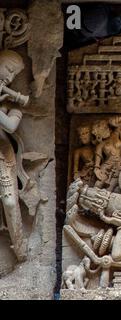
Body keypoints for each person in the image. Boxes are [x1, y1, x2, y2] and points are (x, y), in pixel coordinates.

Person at [0, 50, 27, 261]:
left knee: (9, 202)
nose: (9, 78)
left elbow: (10, 126)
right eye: (8, 69)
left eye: (14, 76)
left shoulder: (12, 104)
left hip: (2, 154)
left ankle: (20, 246)